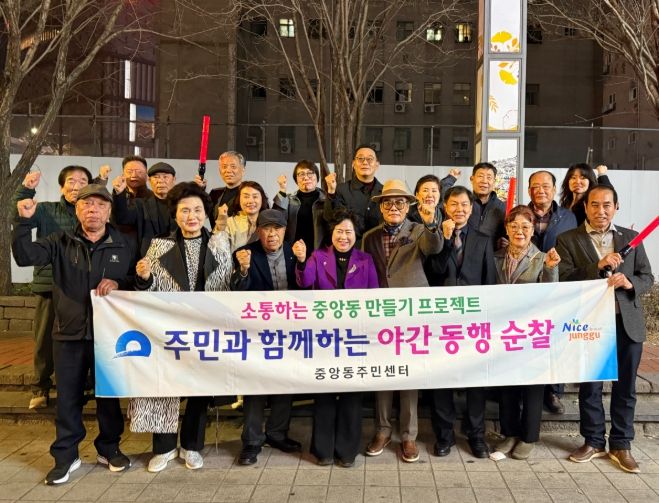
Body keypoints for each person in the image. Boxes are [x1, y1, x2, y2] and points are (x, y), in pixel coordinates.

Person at [12, 184, 136, 485]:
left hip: (110, 336)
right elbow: (25, 257)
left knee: (108, 397)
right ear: (77, 209)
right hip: (68, 334)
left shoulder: (124, 244)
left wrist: (119, 283)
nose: (93, 209)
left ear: (109, 211)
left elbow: (138, 279)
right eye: (86, 204)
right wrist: (23, 223)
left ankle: (109, 448)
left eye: (100, 204)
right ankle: (66, 456)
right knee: (68, 399)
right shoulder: (60, 241)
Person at [129, 182, 232, 473]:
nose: (192, 216)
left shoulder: (219, 244)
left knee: (199, 391)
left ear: (206, 214)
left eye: (198, 210)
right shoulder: (159, 246)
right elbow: (147, 290)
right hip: (168, 331)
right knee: (164, 386)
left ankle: (192, 446)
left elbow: (227, 287)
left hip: (204, 331)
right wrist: (144, 278)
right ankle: (163, 448)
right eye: (185, 210)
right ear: (175, 214)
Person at [556, 185, 653, 474]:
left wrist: (630, 283)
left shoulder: (632, 238)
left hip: (626, 322)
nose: (601, 211)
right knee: (591, 386)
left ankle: (621, 444)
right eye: (595, 205)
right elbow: (563, 278)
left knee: (626, 388)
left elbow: (647, 276)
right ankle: (593, 440)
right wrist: (596, 266)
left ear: (616, 207)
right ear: (585, 207)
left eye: (607, 205)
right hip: (590, 324)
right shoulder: (568, 239)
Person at [361, 179, 443, 463]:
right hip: (380, 313)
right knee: (383, 372)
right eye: (388, 202)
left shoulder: (419, 230)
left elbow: (434, 247)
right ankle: (382, 430)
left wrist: (431, 223)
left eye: (400, 202)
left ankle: (409, 436)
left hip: (411, 314)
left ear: (408, 206)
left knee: (409, 373)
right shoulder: (369, 236)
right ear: (381, 207)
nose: (393, 207)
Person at [294, 210, 379, 467]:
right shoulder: (318, 256)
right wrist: (301, 261)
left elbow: (374, 296)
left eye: (348, 232)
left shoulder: (365, 260)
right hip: (325, 337)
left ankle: (347, 451)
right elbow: (305, 282)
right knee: (325, 392)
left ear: (356, 235)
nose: (344, 236)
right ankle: (323, 451)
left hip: (355, 337)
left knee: (352, 395)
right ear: (332, 234)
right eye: (339, 231)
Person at [11, 166, 92, 409]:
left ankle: (83, 385)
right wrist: (25, 190)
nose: (76, 186)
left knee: (82, 341)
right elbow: (19, 212)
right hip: (50, 284)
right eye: (71, 181)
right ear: (61, 187)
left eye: (83, 181)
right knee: (44, 339)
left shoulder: (93, 212)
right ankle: (40, 387)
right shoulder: (46, 210)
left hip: (81, 289)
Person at [426, 186, 496, 459]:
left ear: (471, 207)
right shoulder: (435, 235)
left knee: (475, 381)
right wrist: (444, 241)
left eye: (464, 204)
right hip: (442, 321)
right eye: (454, 204)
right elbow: (434, 272)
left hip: (474, 321)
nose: (459, 209)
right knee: (441, 379)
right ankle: (444, 436)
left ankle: (476, 435)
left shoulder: (483, 239)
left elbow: (489, 281)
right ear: (445, 207)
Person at [231, 209, 302, 465]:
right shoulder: (245, 253)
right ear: (258, 231)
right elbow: (236, 291)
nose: (272, 234)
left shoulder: (295, 252)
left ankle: (277, 433)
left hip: (290, 330)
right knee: (255, 386)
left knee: (285, 382)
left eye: (277, 228)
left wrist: (303, 262)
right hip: (257, 332)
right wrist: (243, 269)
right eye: (266, 228)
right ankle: (251, 441)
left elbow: (307, 287)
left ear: (285, 231)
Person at [493, 205, 560, 460]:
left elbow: (551, 293)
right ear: (506, 229)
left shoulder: (543, 258)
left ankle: (529, 437)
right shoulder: (496, 256)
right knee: (507, 385)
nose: (519, 231)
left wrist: (551, 268)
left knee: (532, 386)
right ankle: (509, 433)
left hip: (532, 332)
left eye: (525, 226)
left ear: (533, 230)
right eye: (514, 226)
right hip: (504, 332)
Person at [527, 170, 578, 414]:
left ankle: (554, 391)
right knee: (530, 338)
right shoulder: (520, 213)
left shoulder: (568, 217)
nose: (541, 190)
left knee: (555, 338)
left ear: (555, 189)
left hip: (558, 284)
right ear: (529, 190)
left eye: (546, 186)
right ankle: (528, 388)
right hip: (527, 286)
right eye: (535, 186)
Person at [112, 162, 178, 256]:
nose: (160, 181)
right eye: (156, 177)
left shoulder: (182, 204)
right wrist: (119, 193)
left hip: (177, 257)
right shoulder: (141, 204)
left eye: (165, 177)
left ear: (174, 179)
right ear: (149, 180)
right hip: (148, 259)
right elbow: (122, 218)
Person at [324, 145, 383, 242]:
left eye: (370, 159)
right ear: (353, 164)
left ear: (377, 165)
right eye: (360, 158)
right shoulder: (341, 190)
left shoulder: (385, 193)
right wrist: (331, 192)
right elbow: (330, 218)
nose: (365, 162)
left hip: (377, 246)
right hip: (349, 247)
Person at [274, 159, 328, 255]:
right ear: (296, 180)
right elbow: (277, 219)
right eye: (301, 174)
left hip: (321, 253)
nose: (306, 178)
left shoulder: (326, 200)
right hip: (294, 252)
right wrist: (282, 190)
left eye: (310, 173)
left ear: (317, 177)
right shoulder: (289, 200)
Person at [195, 150, 246, 227]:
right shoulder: (215, 194)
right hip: (215, 234)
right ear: (219, 171)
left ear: (243, 170)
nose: (228, 170)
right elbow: (198, 212)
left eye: (233, 166)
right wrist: (199, 190)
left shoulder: (250, 194)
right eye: (224, 167)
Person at [214, 181, 269, 252]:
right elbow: (217, 250)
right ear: (239, 199)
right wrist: (221, 224)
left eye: (255, 196)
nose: (250, 201)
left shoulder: (268, 222)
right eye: (246, 197)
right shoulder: (229, 223)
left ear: (262, 199)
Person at [468, 162, 506, 242]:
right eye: (480, 176)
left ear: (494, 182)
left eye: (489, 177)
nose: (484, 181)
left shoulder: (502, 207)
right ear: (472, 179)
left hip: (492, 249)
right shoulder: (464, 204)